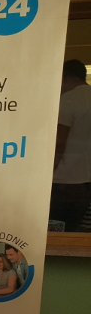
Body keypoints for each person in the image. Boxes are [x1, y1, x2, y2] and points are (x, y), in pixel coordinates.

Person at [52, 59, 91, 231]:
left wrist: (50, 170)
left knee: (57, 231)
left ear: (64, 77)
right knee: (77, 231)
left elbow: (59, 141)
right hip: (87, 180)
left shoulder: (68, 100)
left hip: (65, 179)